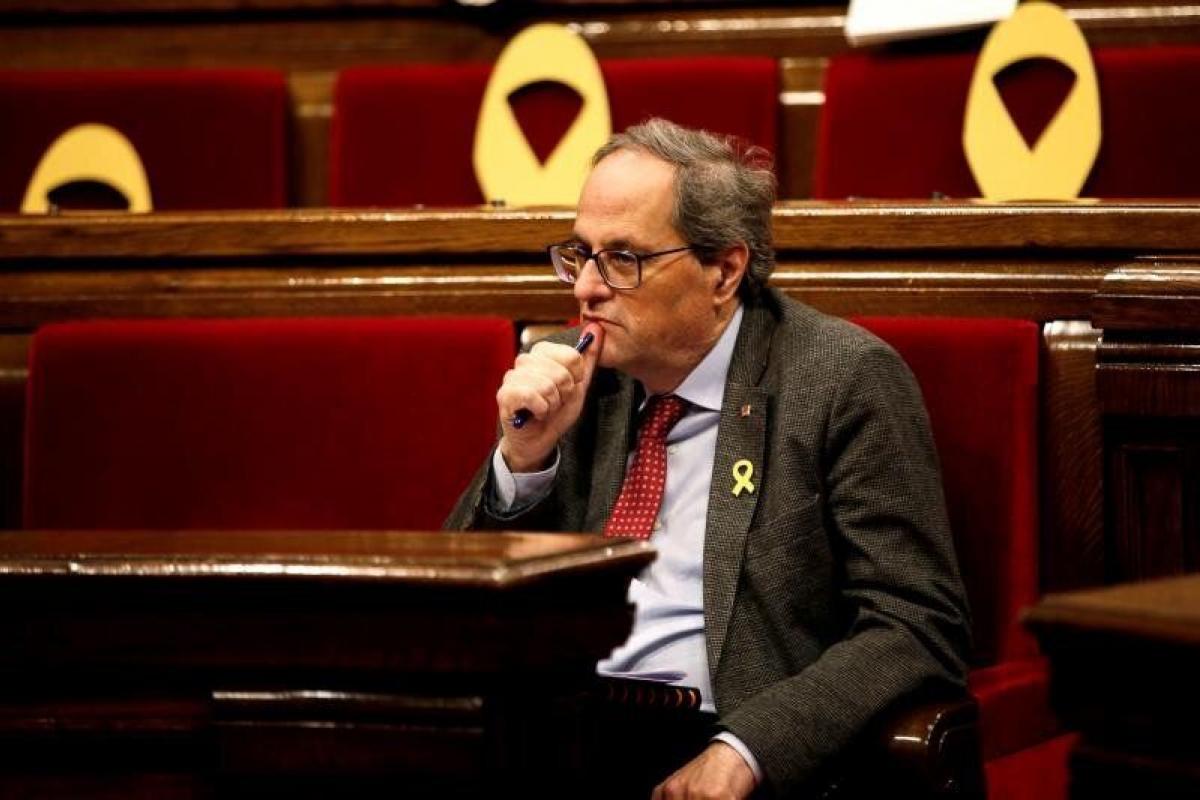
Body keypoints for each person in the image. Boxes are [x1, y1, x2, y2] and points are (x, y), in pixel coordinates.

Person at [445, 118, 970, 799]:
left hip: (714, 734)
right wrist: (522, 461)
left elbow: (915, 623)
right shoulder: (573, 380)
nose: (585, 289)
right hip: (556, 732)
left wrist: (749, 750)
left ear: (724, 270)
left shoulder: (840, 379)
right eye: (580, 255)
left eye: (623, 259)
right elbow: (453, 610)